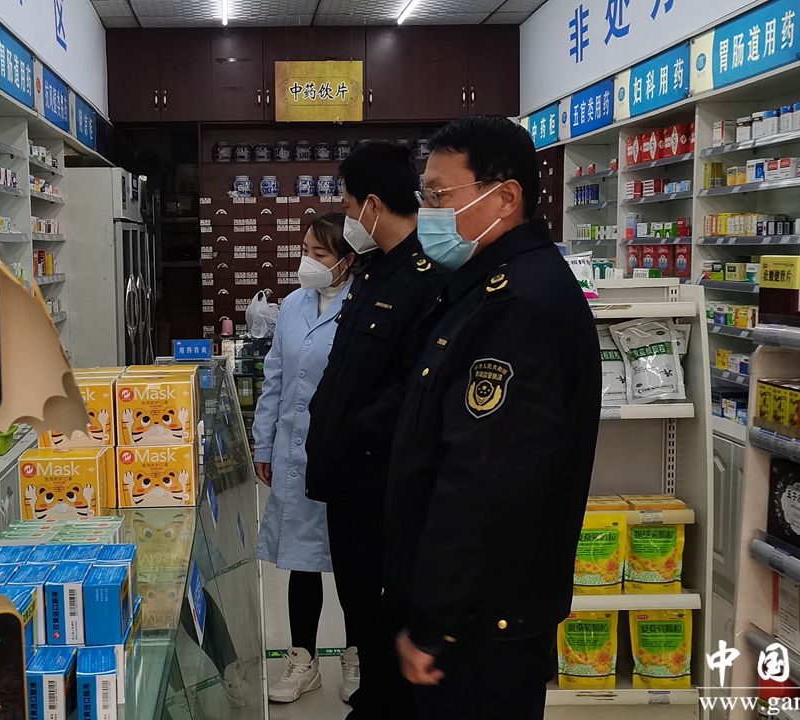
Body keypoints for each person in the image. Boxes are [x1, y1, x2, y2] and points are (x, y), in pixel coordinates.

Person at [384, 115, 602, 720]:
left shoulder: (521, 306)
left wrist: (433, 621)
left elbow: (483, 481)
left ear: (504, 197)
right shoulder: (483, 287)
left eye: (438, 195)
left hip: (481, 625)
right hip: (471, 613)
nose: (426, 211)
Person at [305, 140, 447, 719]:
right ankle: (374, 701)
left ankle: (389, 706)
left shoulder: (427, 276)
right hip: (347, 483)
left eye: (346, 205)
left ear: (371, 205)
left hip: (381, 485)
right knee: (360, 608)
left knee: (386, 612)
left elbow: (419, 383)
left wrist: (359, 433)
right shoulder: (372, 270)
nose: (345, 218)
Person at [253, 213, 362, 704]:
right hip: (293, 452)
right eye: (305, 251)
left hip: (344, 455)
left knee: (353, 563)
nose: (307, 262)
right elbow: (275, 379)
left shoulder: (365, 303)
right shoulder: (294, 304)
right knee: (300, 561)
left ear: (347, 260)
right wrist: (263, 443)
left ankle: (356, 655)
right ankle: (303, 660)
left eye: (319, 254)